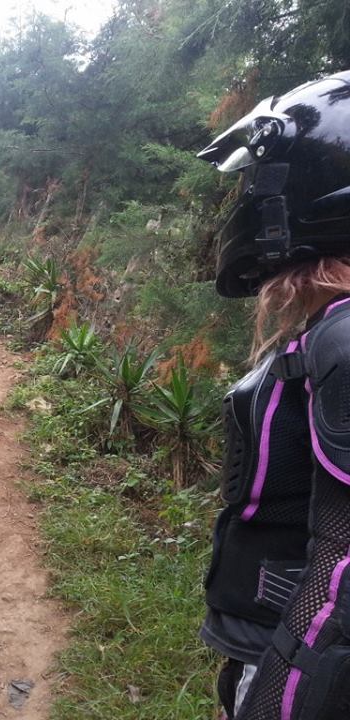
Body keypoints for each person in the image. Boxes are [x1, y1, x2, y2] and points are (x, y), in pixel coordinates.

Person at [197, 70, 350, 719]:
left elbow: (342, 569)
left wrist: (274, 702)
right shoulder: (330, 327)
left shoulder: (344, 337)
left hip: (300, 667)